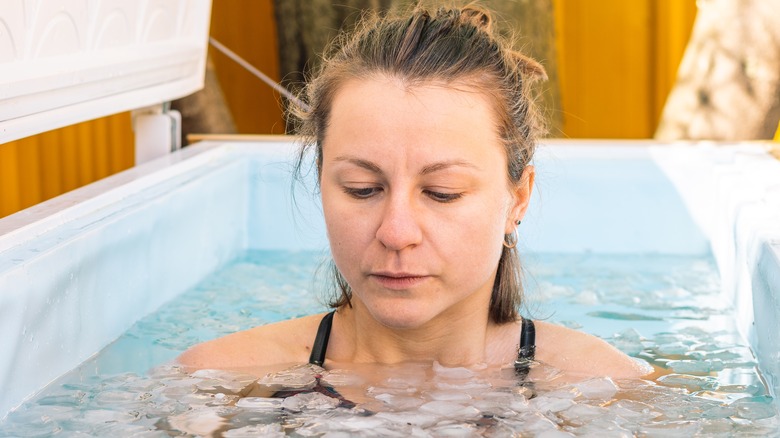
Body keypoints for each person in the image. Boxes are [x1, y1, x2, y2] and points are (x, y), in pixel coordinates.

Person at [178, 4, 651, 382]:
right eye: (362, 190)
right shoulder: (221, 384)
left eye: (442, 192)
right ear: (321, 183)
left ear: (518, 199)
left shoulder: (602, 389)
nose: (396, 232)